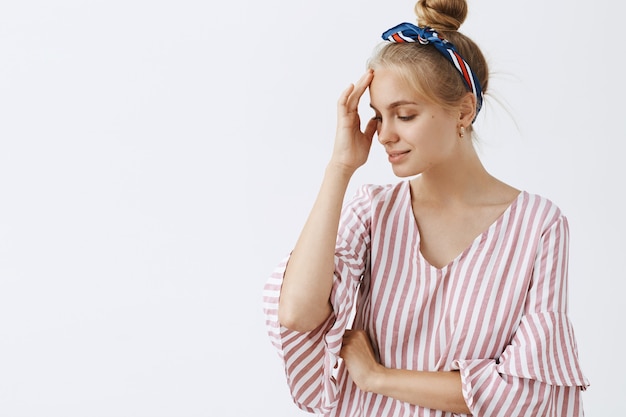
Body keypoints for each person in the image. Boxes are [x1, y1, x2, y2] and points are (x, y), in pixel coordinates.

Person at [262, 0, 589, 415]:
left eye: (405, 114)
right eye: (379, 116)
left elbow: (529, 394)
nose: (384, 135)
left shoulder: (539, 227)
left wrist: (378, 377)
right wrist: (340, 168)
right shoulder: (373, 212)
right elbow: (296, 314)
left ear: (464, 111)